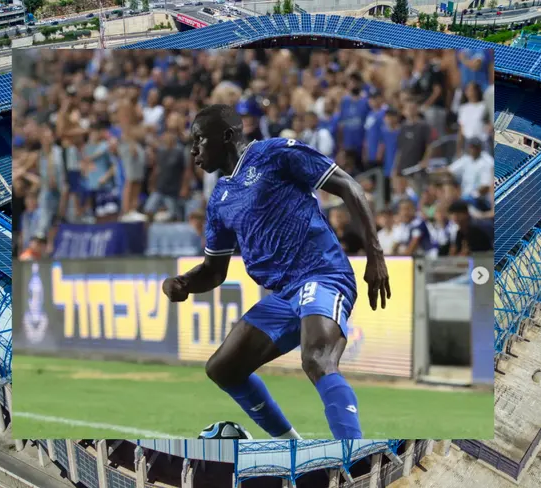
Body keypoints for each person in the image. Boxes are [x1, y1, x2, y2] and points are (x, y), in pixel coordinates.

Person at [162, 104, 391, 440]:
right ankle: (292, 447)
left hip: (321, 274)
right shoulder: (219, 199)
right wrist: (183, 282)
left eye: (199, 140)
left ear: (226, 136)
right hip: (283, 295)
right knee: (223, 369)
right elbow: (214, 271)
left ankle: (352, 455)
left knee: (317, 358)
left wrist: (375, 254)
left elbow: (349, 187)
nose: (193, 150)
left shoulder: (275, 153)